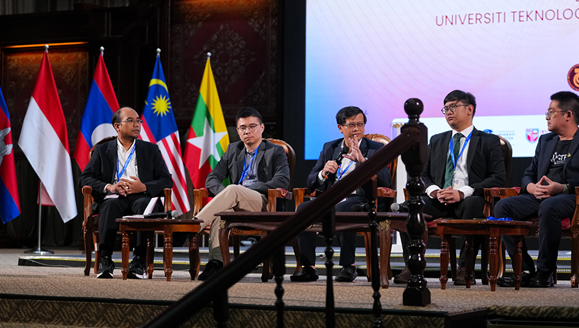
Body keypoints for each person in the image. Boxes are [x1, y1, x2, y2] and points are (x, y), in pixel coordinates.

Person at [494, 91, 579, 288]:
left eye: (551, 112)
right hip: (541, 196)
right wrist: (531, 187)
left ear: (568, 115)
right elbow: (529, 173)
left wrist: (563, 187)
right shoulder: (545, 141)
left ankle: (545, 272)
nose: (546, 117)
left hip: (573, 197)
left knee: (549, 206)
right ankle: (524, 269)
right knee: (502, 207)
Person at [395, 90, 506, 285]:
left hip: (468, 199)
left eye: (453, 107)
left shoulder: (488, 141)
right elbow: (422, 174)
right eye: (445, 108)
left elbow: (498, 177)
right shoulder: (437, 140)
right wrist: (434, 191)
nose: (448, 112)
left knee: (473, 205)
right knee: (409, 207)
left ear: (469, 109)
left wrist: (462, 192)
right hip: (439, 199)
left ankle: (465, 268)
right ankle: (412, 264)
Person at [290, 106, 391, 283]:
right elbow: (311, 181)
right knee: (303, 209)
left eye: (360, 124)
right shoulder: (330, 147)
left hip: (361, 200)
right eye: (351, 125)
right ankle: (308, 267)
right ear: (340, 128)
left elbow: (385, 180)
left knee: (344, 209)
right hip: (331, 199)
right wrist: (323, 173)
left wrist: (363, 162)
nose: (356, 129)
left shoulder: (375, 148)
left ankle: (348, 266)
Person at [194, 107, 290, 281]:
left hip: (263, 202)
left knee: (233, 189)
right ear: (238, 131)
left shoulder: (275, 151)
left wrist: (243, 190)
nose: (247, 131)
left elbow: (282, 180)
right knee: (220, 214)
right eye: (243, 128)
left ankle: (192, 227)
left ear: (262, 127)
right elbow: (212, 178)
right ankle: (216, 263)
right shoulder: (233, 149)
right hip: (235, 201)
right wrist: (227, 196)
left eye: (252, 126)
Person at [80, 107, 173, 279]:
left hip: (142, 197)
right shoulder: (102, 150)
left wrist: (144, 187)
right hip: (115, 197)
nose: (137, 125)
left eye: (138, 121)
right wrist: (109, 187)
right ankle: (105, 260)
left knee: (142, 205)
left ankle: (139, 261)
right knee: (110, 204)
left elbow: (166, 180)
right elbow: (85, 178)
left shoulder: (151, 149)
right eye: (130, 121)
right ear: (117, 126)